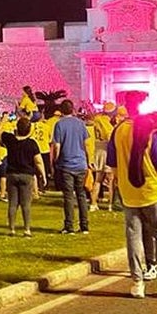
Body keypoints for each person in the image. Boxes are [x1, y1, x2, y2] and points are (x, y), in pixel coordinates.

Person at [108, 112, 157, 298]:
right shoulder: (151, 134)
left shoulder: (118, 131)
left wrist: (121, 182)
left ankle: (137, 282)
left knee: (133, 236)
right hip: (152, 190)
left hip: (129, 192)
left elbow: (113, 164)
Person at [51, 99, 93, 234]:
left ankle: (69, 226)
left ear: (61, 111)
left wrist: (55, 161)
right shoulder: (80, 123)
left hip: (66, 164)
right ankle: (84, 225)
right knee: (81, 195)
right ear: (73, 109)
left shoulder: (59, 124)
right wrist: (88, 160)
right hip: (81, 163)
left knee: (68, 196)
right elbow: (86, 144)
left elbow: (57, 146)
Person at [2, 116, 45, 236]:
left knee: (13, 204)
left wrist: (3, 121)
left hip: (12, 174)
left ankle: (11, 229)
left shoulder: (10, 140)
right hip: (26, 175)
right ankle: (27, 229)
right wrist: (43, 175)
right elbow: (38, 161)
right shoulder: (31, 143)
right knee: (26, 204)